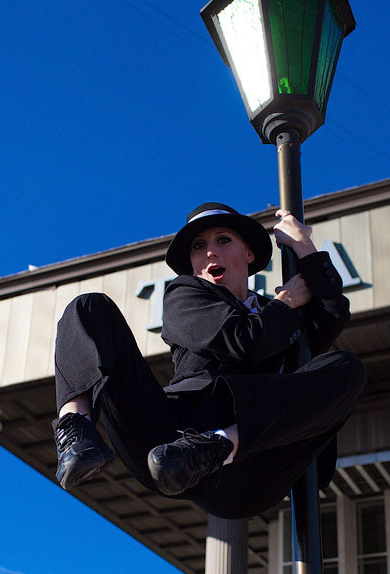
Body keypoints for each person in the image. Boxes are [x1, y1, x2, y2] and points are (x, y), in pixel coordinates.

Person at [51, 202, 366, 521]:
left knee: (347, 368)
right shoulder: (185, 297)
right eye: (199, 246)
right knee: (88, 307)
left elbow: (331, 316)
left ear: (249, 254)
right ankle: (76, 430)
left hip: (251, 470)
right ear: (191, 262)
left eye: (223, 240)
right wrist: (286, 302)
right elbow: (242, 343)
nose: (210, 252)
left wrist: (304, 246)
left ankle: (219, 446)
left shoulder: (282, 316)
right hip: (171, 440)